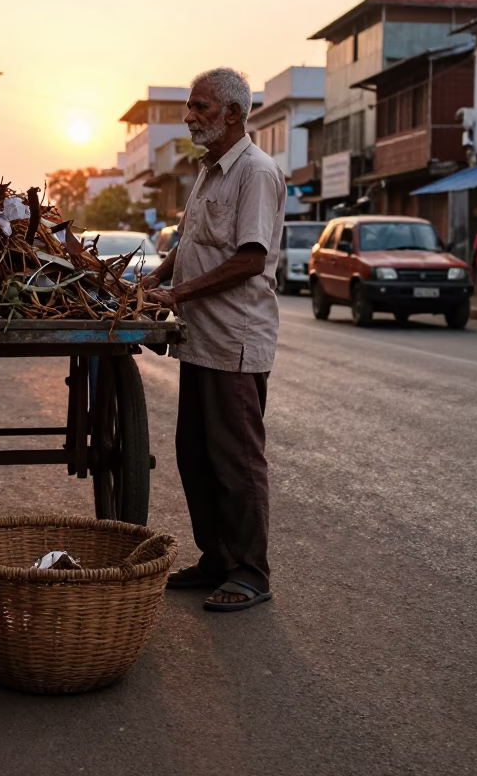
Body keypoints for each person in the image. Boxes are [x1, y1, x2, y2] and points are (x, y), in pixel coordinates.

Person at [142, 67, 285, 613]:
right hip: (199, 338)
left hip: (235, 341)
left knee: (236, 460)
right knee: (196, 456)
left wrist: (179, 295)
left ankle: (250, 572)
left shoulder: (256, 172)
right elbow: (191, 240)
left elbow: (250, 259)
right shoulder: (208, 172)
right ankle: (216, 559)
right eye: (190, 106)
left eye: (201, 107)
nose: (190, 116)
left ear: (233, 114)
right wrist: (158, 276)